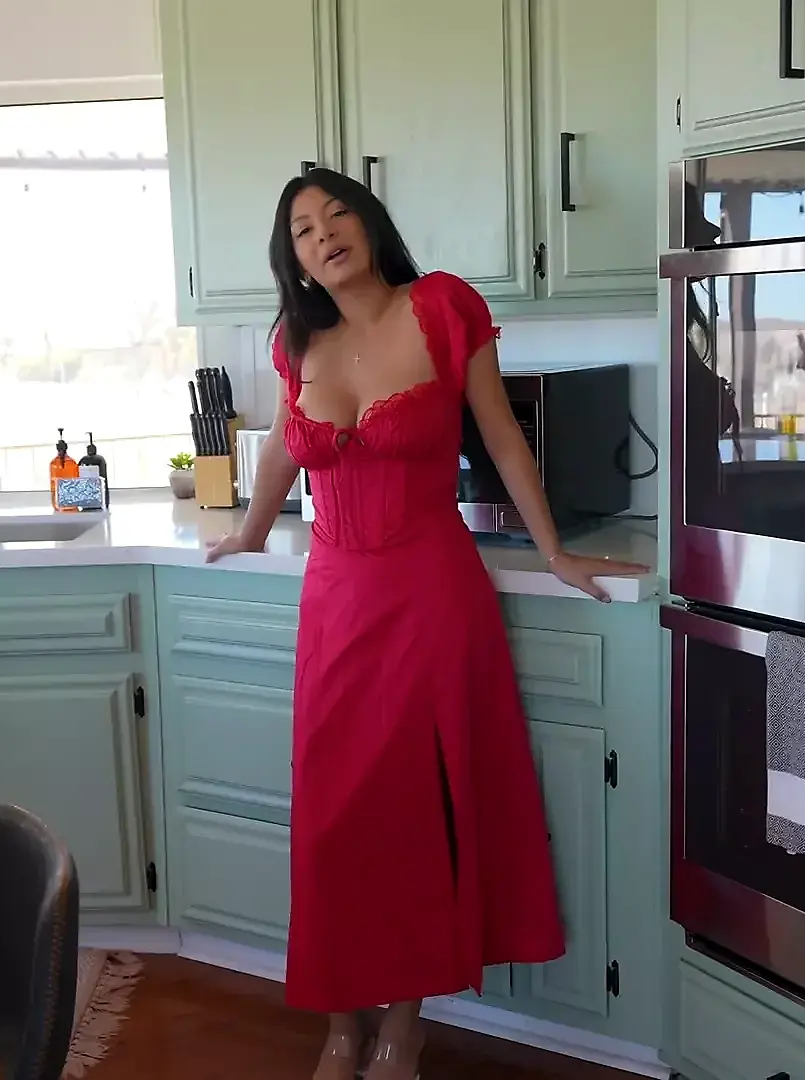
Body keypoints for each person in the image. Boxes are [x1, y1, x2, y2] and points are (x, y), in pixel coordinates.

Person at [205, 167, 648, 1080]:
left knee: (417, 816)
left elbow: (502, 438)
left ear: (369, 223)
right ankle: (341, 1025)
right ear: (294, 259)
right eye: (303, 230)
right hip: (336, 601)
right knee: (333, 824)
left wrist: (555, 552)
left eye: (337, 215)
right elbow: (287, 448)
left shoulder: (442, 307)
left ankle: (400, 1030)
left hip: (430, 595)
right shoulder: (297, 341)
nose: (325, 234)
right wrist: (250, 529)